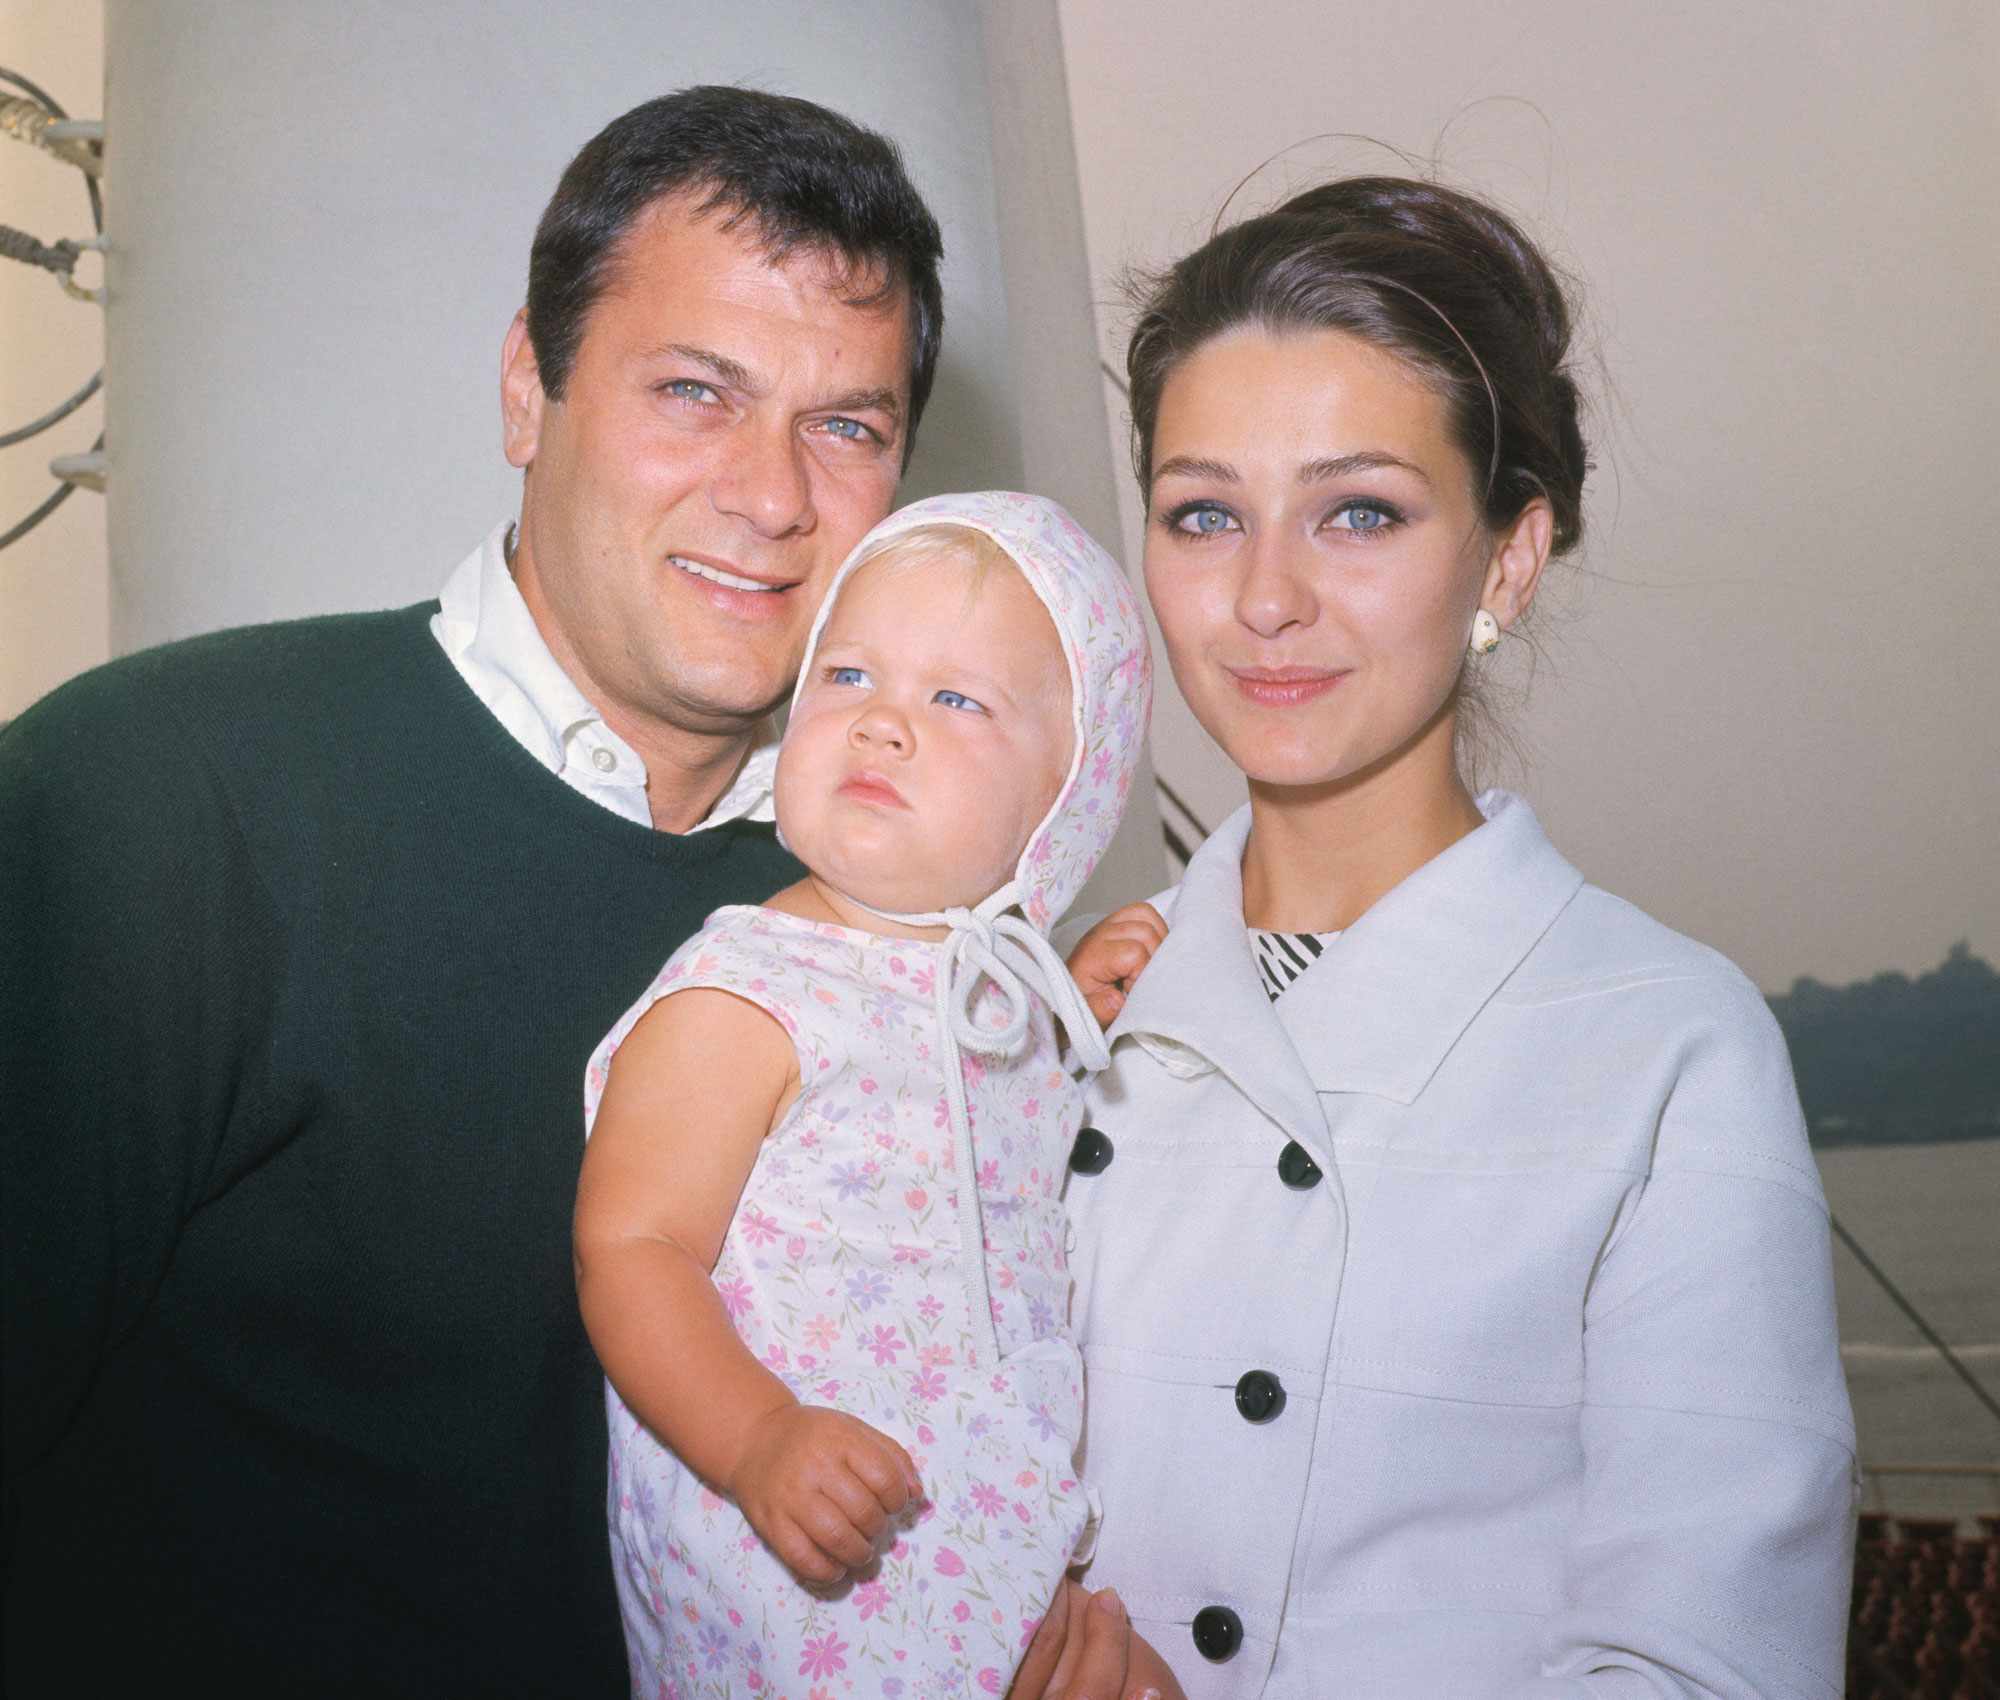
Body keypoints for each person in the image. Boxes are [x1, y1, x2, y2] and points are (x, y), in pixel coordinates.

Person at [0, 86, 943, 1696]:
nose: (774, 496)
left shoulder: (900, 923)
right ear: (530, 387)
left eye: (844, 425)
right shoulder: (157, 801)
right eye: (695, 391)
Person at [1054, 177, 1856, 1697]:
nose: (1267, 597)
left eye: (1360, 511)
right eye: (1203, 513)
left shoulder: (1662, 1043)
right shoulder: (1057, 1013)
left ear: (1506, 557)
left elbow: (1712, 1674)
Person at [574, 490, 1158, 1697]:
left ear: (1063, 804)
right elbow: (629, 1245)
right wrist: (754, 1437)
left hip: (989, 1561)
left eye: (956, 700)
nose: (883, 722)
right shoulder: (744, 992)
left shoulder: (997, 1001)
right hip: (794, 1567)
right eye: (846, 675)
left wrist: (1067, 998)